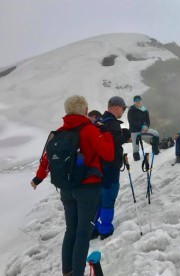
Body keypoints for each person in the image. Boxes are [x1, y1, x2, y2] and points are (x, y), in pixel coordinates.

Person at [30, 95, 114, 276]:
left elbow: (47, 159)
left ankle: (67, 272)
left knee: (71, 232)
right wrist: (105, 133)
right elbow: (108, 154)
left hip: (66, 188)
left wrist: (37, 179)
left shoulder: (59, 132)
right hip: (88, 189)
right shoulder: (89, 130)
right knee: (83, 233)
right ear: (84, 110)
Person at [92, 96, 131, 240]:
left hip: (97, 167)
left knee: (98, 199)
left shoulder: (99, 122)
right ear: (116, 107)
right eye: (123, 108)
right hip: (110, 167)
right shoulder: (113, 123)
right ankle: (105, 230)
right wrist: (124, 136)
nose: (123, 111)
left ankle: (93, 229)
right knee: (108, 197)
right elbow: (112, 144)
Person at [127, 95, 160, 161]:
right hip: (134, 130)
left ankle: (155, 150)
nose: (138, 102)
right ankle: (137, 160)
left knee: (156, 134)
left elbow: (147, 121)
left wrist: (146, 127)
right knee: (135, 147)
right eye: (136, 101)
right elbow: (131, 122)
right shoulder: (131, 110)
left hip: (144, 130)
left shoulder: (144, 110)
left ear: (141, 101)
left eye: (139, 100)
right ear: (134, 102)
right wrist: (142, 127)